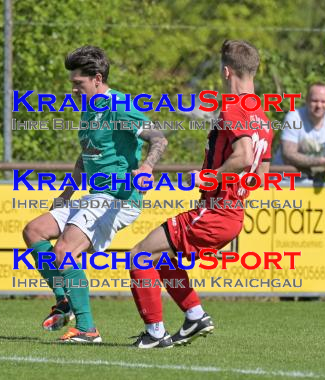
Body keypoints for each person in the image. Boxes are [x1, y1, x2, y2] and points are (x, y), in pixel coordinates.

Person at [128, 40, 273, 348]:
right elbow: (261, 172)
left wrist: (210, 177)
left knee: (139, 254)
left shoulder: (234, 107)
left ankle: (155, 334)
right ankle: (195, 316)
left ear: (226, 71)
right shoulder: (261, 116)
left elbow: (244, 156)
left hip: (217, 212)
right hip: (230, 213)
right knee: (163, 259)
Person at [22, 46, 168, 343]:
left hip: (118, 197)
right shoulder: (90, 106)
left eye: (79, 83)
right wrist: (66, 193)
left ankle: (88, 328)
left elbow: (158, 137)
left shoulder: (119, 106)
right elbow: (85, 156)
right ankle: (65, 301)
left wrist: (147, 166)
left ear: (97, 79)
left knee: (64, 249)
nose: (74, 90)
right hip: (94, 195)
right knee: (34, 231)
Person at [273, 82, 325, 184]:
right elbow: (288, 155)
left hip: (312, 182)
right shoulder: (294, 117)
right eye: (314, 101)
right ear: (306, 101)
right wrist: (322, 162)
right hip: (284, 181)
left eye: (323, 101)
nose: (319, 105)